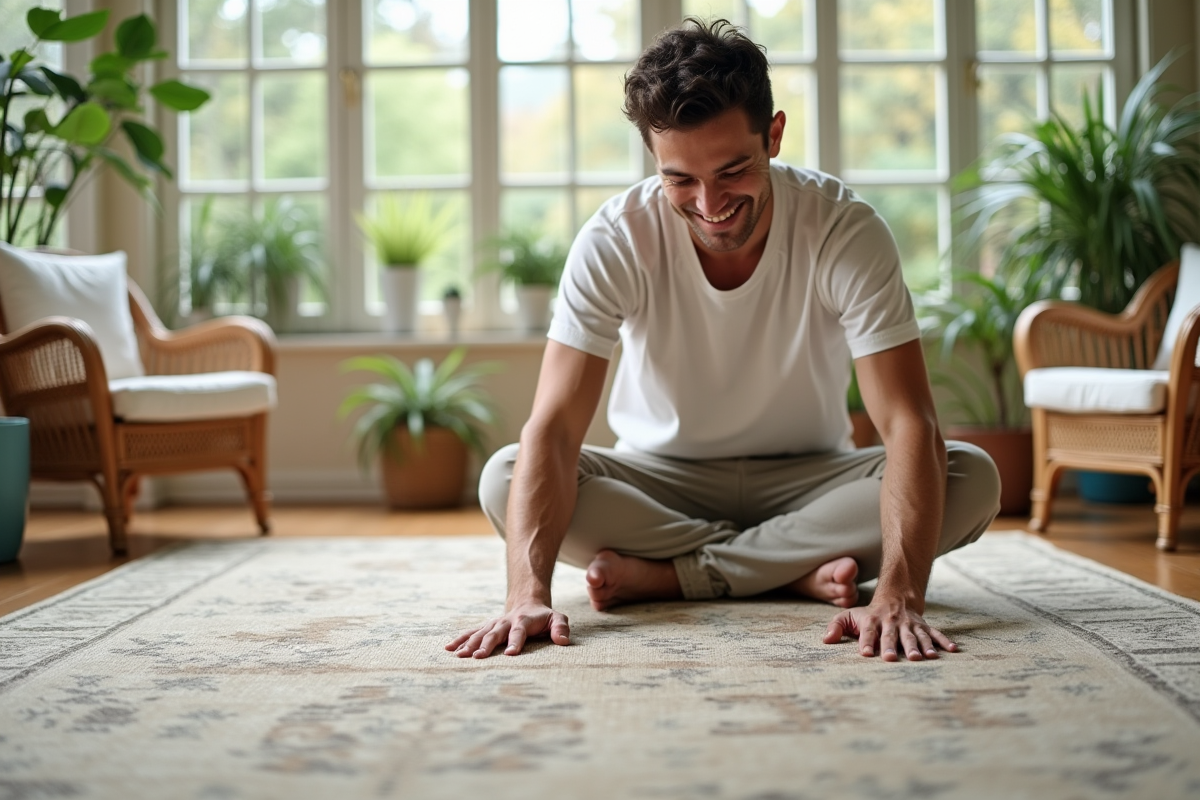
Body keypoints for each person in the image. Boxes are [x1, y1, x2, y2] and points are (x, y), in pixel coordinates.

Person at [446, 18, 1000, 664]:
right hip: (659, 482)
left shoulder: (843, 229)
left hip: (809, 479)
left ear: (774, 135)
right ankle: (788, 571)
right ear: (654, 158)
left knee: (969, 476)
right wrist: (525, 594)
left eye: (732, 170)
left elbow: (907, 421)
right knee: (505, 475)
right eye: (680, 179)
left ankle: (675, 575)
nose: (709, 203)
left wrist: (901, 592)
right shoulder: (616, 236)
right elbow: (556, 428)